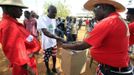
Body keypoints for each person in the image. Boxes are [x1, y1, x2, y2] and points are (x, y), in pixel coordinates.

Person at [60, 0, 133, 75]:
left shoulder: (108, 21)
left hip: (112, 71)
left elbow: (83, 46)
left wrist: (64, 45)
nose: (93, 11)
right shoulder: (117, 19)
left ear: (103, 7)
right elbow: (89, 42)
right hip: (116, 67)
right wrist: (74, 42)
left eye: (95, 7)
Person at [0, 0, 41, 75]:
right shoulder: (9, 26)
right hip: (25, 67)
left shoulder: (13, 22)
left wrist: (34, 48)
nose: (22, 11)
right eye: (19, 8)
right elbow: (15, 52)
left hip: (28, 61)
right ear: (8, 8)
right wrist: (28, 68)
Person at [37, 5, 64, 73]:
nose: (55, 14)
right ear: (48, 11)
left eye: (55, 12)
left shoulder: (53, 20)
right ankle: (48, 69)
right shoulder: (42, 19)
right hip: (46, 44)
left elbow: (53, 31)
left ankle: (54, 68)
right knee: (46, 58)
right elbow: (45, 32)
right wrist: (58, 38)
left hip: (53, 43)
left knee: (54, 56)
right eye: (53, 12)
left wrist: (58, 38)